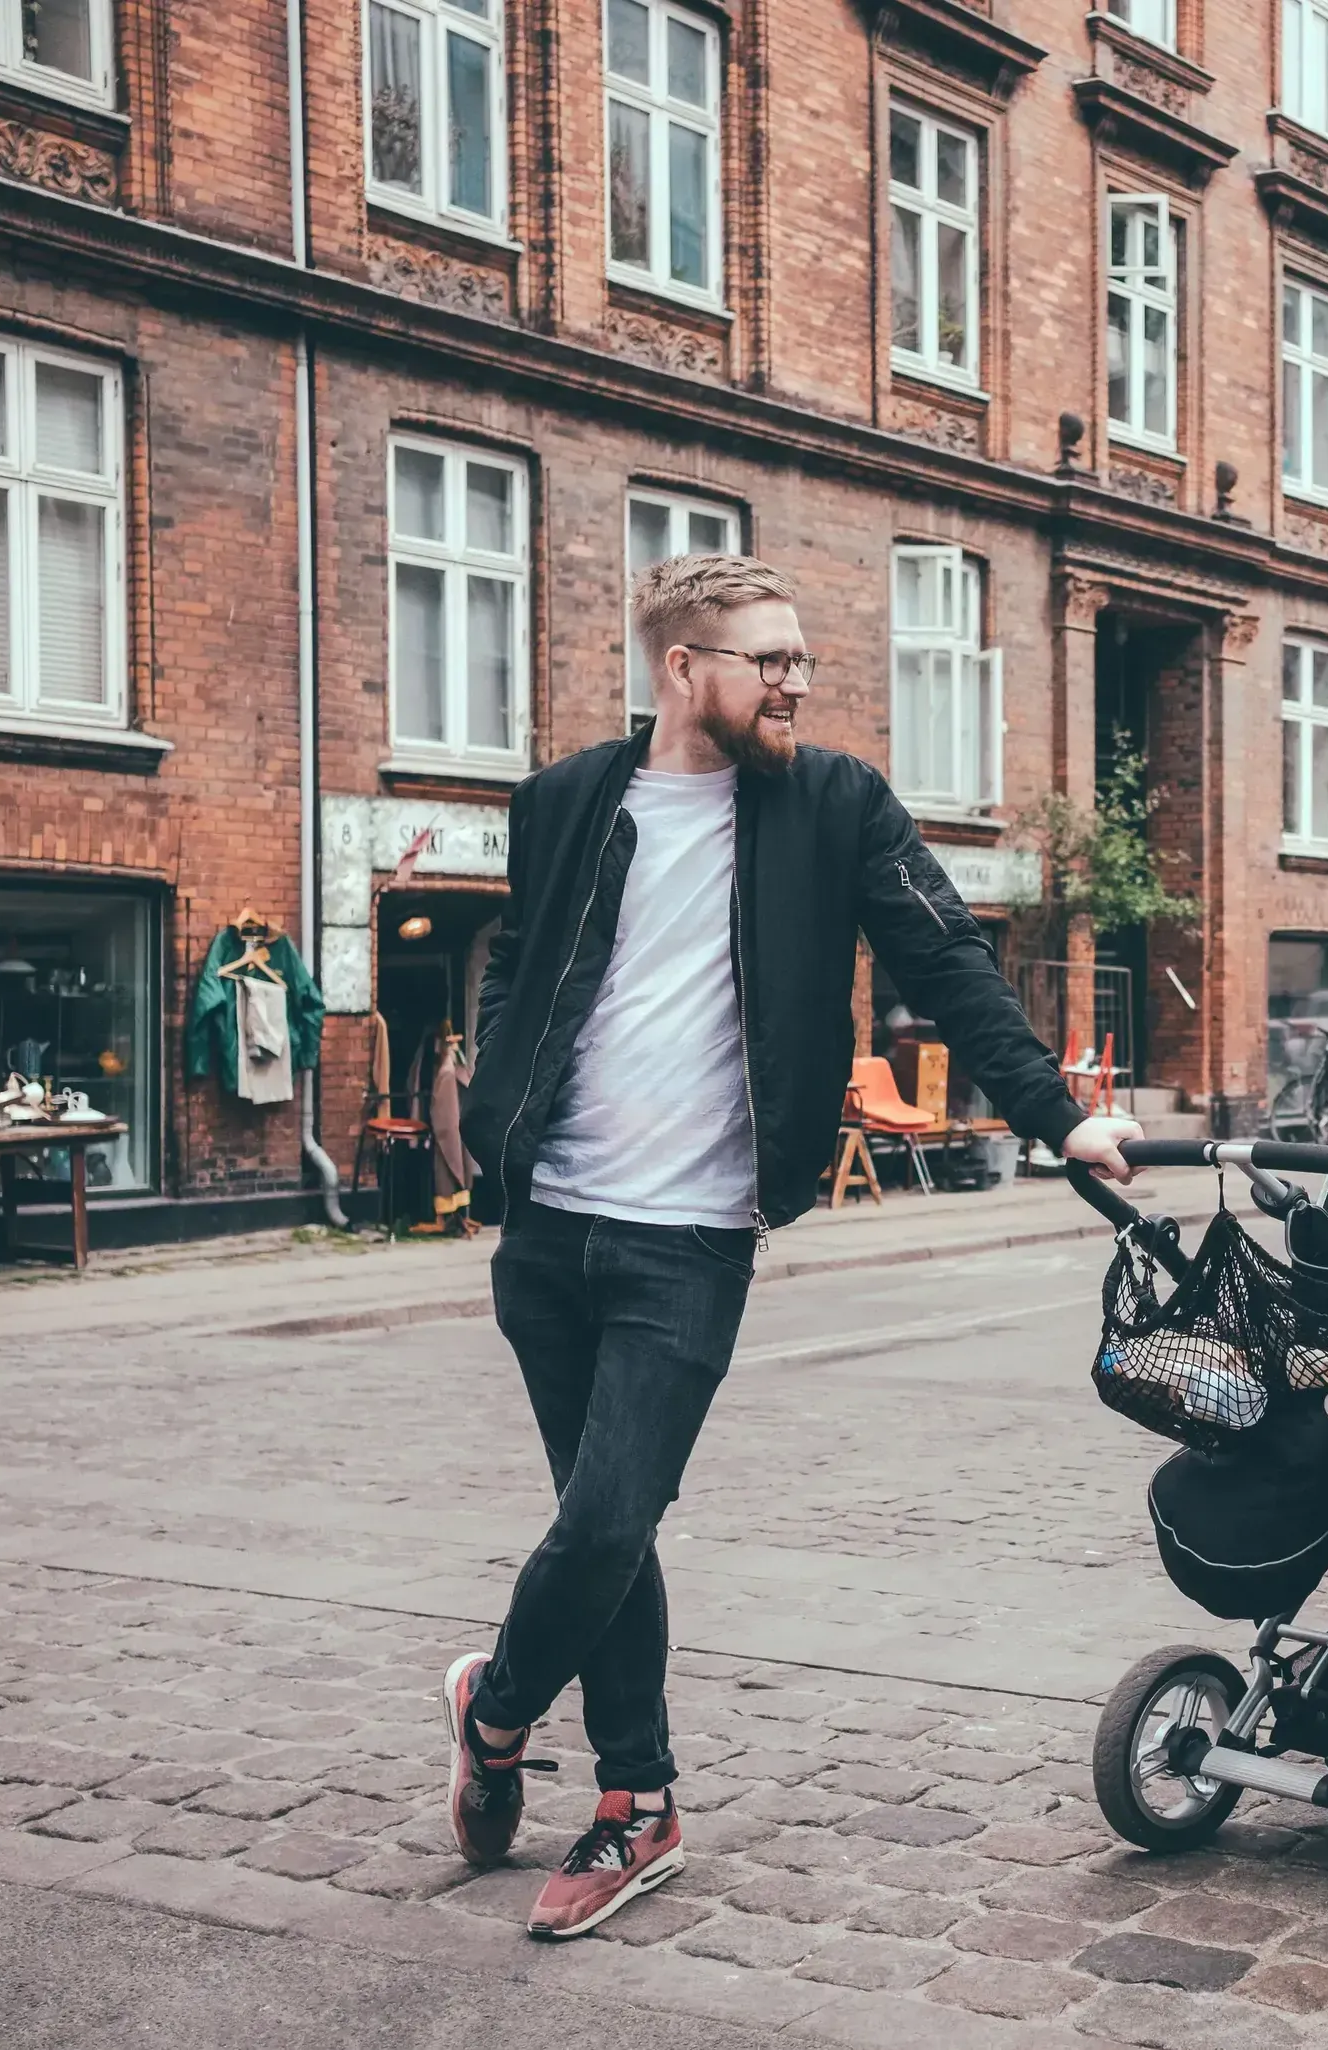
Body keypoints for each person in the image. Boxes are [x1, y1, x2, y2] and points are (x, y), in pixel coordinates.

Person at [442, 552, 1140, 1939]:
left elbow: (950, 963)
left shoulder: (834, 808)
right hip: (553, 1231)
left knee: (603, 1515)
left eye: (802, 658)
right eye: (769, 658)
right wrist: (487, 1115)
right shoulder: (568, 799)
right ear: (681, 667)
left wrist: (1060, 1118)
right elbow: (524, 960)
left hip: (690, 1238)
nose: (798, 681)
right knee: (616, 1531)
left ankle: (499, 1705)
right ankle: (638, 1803)